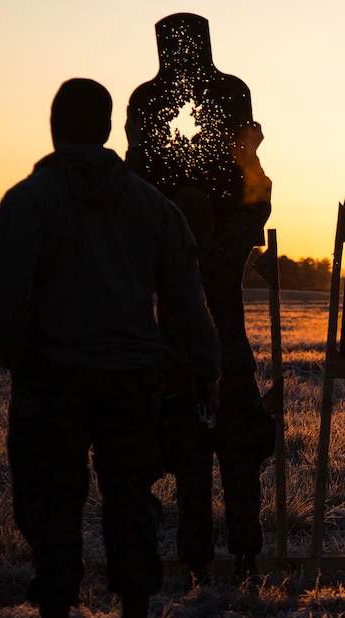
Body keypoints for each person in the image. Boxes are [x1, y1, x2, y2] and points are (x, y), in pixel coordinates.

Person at [0, 78, 220, 618]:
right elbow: (188, 298)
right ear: (108, 128)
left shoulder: (28, 201)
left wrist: (20, 359)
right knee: (132, 498)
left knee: (51, 500)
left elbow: (7, 286)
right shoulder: (153, 207)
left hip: (51, 376)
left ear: (54, 126)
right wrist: (206, 364)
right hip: (132, 381)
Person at [126, 117, 275, 587]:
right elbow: (258, 201)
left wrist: (138, 147)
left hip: (180, 381)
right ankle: (247, 559)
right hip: (230, 375)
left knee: (192, 479)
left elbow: (131, 198)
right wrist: (248, 154)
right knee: (241, 471)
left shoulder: (161, 263)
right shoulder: (226, 252)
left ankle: (196, 565)